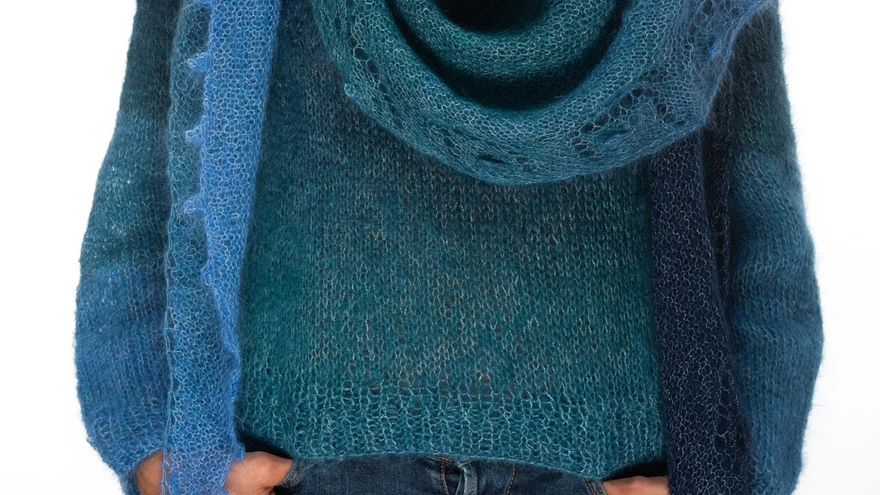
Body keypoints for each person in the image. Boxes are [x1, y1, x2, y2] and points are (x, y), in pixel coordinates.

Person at [74, 0, 823, 494]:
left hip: (616, 465)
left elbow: (758, 215)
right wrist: (148, 441)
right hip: (300, 460)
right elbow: (149, 168)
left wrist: (742, 476)